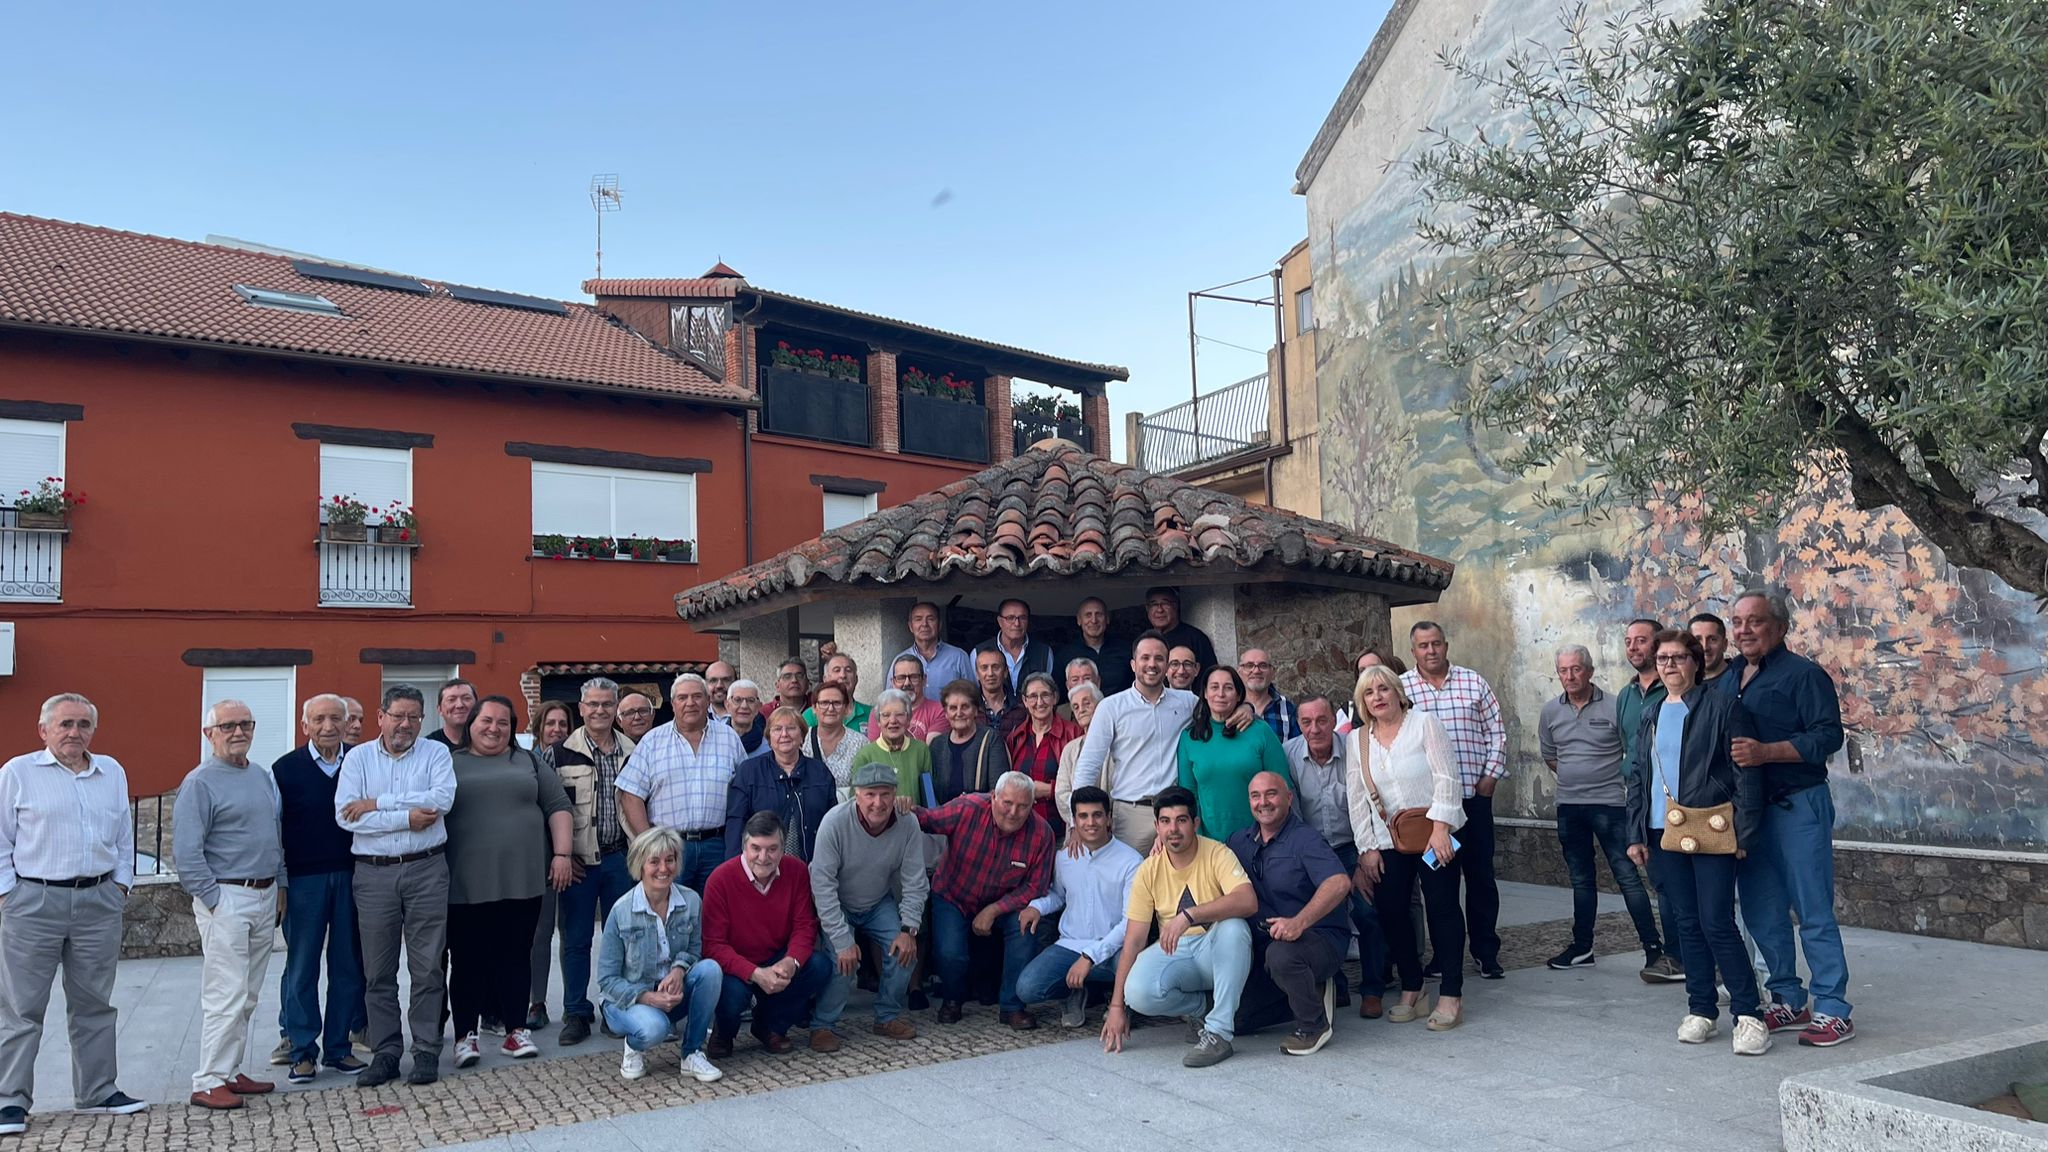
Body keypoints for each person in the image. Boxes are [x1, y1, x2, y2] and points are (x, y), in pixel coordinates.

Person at [0, 694, 147, 1136]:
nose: (74, 732)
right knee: (21, 1007)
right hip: (35, 902)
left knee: (95, 1004)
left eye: (83, 724)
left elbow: (123, 834)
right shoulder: (18, 773)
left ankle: (98, 1091)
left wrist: (121, 884)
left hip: (98, 901)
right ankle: (9, 1100)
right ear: (43, 730)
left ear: (93, 731)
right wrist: (8, 894)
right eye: (65, 724)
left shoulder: (111, 772)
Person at [1625, 630, 1771, 1057]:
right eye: (1663, 659)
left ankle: (1749, 1015)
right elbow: (1638, 776)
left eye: (1678, 658)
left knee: (1717, 921)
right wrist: (1635, 833)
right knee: (1686, 922)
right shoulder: (1651, 713)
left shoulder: (1724, 706)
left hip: (1711, 827)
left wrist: (1744, 832)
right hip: (1662, 830)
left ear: (1696, 662)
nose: (1670, 665)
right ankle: (1701, 1009)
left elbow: (1746, 775)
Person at [1721, 588, 1853, 1048]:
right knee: (1761, 911)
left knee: (1813, 909)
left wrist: (1766, 752)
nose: (1744, 630)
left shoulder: (1804, 675)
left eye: (1754, 621)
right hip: (1750, 815)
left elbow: (1827, 737)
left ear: (1779, 627)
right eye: (1737, 622)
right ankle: (1787, 998)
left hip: (1798, 805)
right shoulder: (1729, 677)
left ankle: (1833, 1007)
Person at [337, 685, 456, 1088]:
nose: (405, 724)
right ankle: (386, 1052)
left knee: (428, 967)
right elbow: (346, 816)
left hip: (426, 869)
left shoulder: (435, 754)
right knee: (378, 970)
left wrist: (376, 803)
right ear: (381, 717)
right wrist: (406, 817)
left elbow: (440, 802)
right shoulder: (357, 758)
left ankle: (425, 1050)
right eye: (398, 715)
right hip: (374, 874)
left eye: (414, 717)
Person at [445, 697, 571, 1071]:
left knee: (516, 956)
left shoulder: (528, 761)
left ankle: (516, 1030)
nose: (494, 728)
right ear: (470, 724)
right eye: (486, 720)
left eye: (503, 722)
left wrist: (562, 854)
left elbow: (558, 806)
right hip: (465, 881)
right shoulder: (448, 762)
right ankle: (465, 1036)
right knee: (467, 960)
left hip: (523, 879)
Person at [175, 701, 286, 1110]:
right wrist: (214, 900)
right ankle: (207, 1080)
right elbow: (187, 852)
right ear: (209, 734)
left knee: (248, 993)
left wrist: (281, 884)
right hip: (228, 897)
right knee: (226, 992)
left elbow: (274, 834)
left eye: (245, 724)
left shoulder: (260, 776)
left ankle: (229, 1070)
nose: (238, 732)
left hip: (264, 893)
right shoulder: (199, 783)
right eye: (228, 726)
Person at [1349, 665, 1468, 1031]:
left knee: (1442, 908)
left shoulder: (1424, 724)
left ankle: (1451, 992)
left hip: (1434, 835)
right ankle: (1412, 986)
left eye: (1384, 689)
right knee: (1392, 912)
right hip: (1388, 840)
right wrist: (1367, 847)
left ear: (1398, 693)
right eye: (1369, 693)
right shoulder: (1358, 740)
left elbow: (1447, 777)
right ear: (1362, 701)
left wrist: (1441, 828)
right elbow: (1357, 797)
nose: (1378, 697)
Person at [1099, 787, 1253, 1068]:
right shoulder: (1148, 869)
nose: (1173, 829)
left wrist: (1189, 915)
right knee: (1137, 992)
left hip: (1213, 949)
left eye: (1181, 820)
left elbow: (1247, 900)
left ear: (1195, 823)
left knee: (1234, 928)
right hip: (1176, 952)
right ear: (1156, 826)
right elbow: (1134, 940)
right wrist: (1117, 1006)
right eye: (1166, 821)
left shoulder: (1217, 853)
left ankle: (1218, 1033)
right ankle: (1202, 1009)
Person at [1539, 645, 1668, 976]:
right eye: (1563, 670)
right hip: (1569, 807)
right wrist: (1576, 776)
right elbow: (1550, 755)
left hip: (1611, 806)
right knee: (1581, 880)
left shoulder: (1614, 705)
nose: (1570, 676)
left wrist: (1599, 780)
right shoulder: (1550, 711)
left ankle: (1653, 949)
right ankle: (1582, 947)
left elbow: (1631, 749)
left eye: (1576, 669)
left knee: (1628, 877)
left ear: (1590, 671)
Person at [1075, 632, 1256, 854]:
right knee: (1133, 875)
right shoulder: (1111, 707)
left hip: (1175, 813)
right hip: (1132, 816)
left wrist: (1247, 707)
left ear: (1167, 665)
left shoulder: (1188, 703)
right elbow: (1089, 764)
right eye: (1145, 658)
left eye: (1159, 658)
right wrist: (1076, 822)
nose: (1152, 664)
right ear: (1133, 664)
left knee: (1181, 875)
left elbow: (1220, 708)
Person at [1401, 621, 1507, 981]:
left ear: (1446, 646)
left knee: (1481, 878)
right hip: (1430, 810)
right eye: (1423, 646)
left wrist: (1491, 775)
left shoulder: (1473, 682)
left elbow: (1496, 732)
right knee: (1438, 886)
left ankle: (1485, 952)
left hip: (1472, 801)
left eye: (1436, 644)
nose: (1430, 651)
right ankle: (1444, 956)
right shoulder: (1402, 688)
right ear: (1413, 651)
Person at [273, 694, 368, 1082]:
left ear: (347, 723)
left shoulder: (361, 762)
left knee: (348, 965)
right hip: (303, 881)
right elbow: (274, 829)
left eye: (335, 719)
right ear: (305, 725)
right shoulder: (284, 769)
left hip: (352, 875)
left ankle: (339, 1048)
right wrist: (280, 882)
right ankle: (301, 1050)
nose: (328, 726)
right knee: (302, 967)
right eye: (319, 719)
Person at [910, 773, 1053, 1027]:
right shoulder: (968, 807)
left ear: (1033, 804)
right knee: (949, 952)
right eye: (1007, 803)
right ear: (994, 797)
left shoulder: (1042, 834)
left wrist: (994, 910)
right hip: (954, 894)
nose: (1013, 812)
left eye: (1022, 806)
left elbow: (1035, 886)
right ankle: (952, 999)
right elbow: (927, 819)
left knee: (1025, 928)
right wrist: (904, 807)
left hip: (1004, 902)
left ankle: (1012, 1006)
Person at [1228, 772, 1352, 1055]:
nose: (1263, 802)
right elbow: (1206, 859)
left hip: (1318, 939)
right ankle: (1311, 993)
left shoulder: (1305, 839)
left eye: (1271, 794)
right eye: (1255, 796)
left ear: (1288, 798)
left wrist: (1299, 922)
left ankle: (1313, 1025)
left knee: (1283, 955)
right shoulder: (1239, 841)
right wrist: (1163, 843)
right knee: (1236, 1019)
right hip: (1266, 945)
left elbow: (1339, 883)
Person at [806, 763, 928, 1047]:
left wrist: (909, 929)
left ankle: (887, 1016)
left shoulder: (908, 823)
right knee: (842, 961)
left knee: (904, 952)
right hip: (838, 901)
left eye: (885, 794)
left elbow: (915, 880)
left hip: (877, 901)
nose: (878, 802)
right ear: (856, 795)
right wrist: (842, 940)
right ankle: (823, 1025)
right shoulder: (834, 822)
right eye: (870, 794)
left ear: (895, 794)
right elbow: (822, 885)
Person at [1284, 696, 1388, 1019]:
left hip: (1352, 846)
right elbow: (1293, 814)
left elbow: (1369, 804)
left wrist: (1364, 856)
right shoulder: (1288, 755)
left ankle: (1373, 989)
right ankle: (1336, 985)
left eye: (1322, 720)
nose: (1315, 729)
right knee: (1319, 918)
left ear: (1334, 721)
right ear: (1299, 725)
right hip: (1313, 851)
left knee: (1367, 913)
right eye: (1306, 722)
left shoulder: (1355, 750)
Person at [700, 813, 834, 1056]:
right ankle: (724, 1032)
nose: (763, 857)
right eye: (756, 848)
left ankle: (770, 1026)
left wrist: (791, 961)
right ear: (744, 847)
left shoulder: (796, 871)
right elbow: (713, 946)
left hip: (777, 955)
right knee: (730, 991)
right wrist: (755, 973)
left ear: (783, 848)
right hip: (736, 962)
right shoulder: (720, 879)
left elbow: (805, 926)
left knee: (819, 965)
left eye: (772, 849)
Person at [598, 826, 724, 1084]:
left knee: (711, 970)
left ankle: (692, 1053)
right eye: (654, 861)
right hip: (626, 1001)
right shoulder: (621, 911)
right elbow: (607, 980)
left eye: (670, 860)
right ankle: (633, 1045)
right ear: (640, 865)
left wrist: (678, 970)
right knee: (655, 1029)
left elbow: (695, 950)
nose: (663, 869)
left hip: (670, 994)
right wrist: (648, 997)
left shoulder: (691, 901)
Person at [1014, 786, 1140, 1028]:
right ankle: (1075, 991)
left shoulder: (1131, 861)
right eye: (1083, 816)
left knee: (1133, 968)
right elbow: (1058, 895)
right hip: (1071, 945)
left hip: (1114, 948)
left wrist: (1090, 957)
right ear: (1074, 820)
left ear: (1109, 818)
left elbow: (1130, 922)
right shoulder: (1064, 858)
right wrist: (1036, 907)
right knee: (1028, 988)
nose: (1090, 823)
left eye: (1097, 815)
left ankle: (1122, 1001)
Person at [555, 677, 637, 1046]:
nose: (600, 710)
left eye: (606, 704)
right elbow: (549, 808)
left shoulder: (633, 750)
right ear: (581, 708)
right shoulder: (559, 753)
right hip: (579, 863)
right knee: (576, 939)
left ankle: (615, 1006)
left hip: (621, 858)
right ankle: (575, 1011)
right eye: (593, 704)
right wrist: (560, 854)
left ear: (616, 709)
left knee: (623, 939)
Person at [618, 673, 748, 893]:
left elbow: (744, 790)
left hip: (717, 844)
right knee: (670, 908)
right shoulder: (652, 741)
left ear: (708, 700)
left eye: (697, 696)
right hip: (668, 847)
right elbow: (630, 795)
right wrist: (649, 842)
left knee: (716, 908)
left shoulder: (729, 738)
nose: (690, 703)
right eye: (682, 697)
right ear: (673, 704)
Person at [1176, 666, 1292, 842]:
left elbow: (1282, 784)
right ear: (1205, 693)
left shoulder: (1260, 731)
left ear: (1238, 695)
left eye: (1228, 688)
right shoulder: (1190, 738)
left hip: (1259, 838)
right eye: (1214, 687)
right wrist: (1197, 838)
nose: (1221, 694)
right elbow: (1188, 794)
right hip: (1210, 841)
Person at [524, 700, 582, 1033]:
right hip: (538, 860)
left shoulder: (575, 758)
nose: (557, 730)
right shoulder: (526, 763)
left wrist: (570, 854)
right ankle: (537, 1002)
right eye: (550, 723)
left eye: (563, 724)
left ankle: (575, 1005)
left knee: (572, 935)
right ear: (538, 727)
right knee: (539, 935)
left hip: (574, 859)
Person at [725, 708, 836, 863]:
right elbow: (736, 823)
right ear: (769, 738)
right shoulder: (749, 771)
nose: (784, 734)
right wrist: (735, 867)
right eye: (777, 729)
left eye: (791, 728)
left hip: (812, 865)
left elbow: (832, 824)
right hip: (760, 864)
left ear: (802, 736)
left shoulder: (820, 772)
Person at [1006, 672, 1080, 835]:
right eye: (1033, 696)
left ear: (1055, 698)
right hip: (1021, 830)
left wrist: (1050, 790)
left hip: (1061, 830)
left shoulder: (1073, 734)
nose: (1039, 702)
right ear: (1025, 701)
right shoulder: (1016, 737)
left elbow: (1084, 784)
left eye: (1045, 695)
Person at [931, 678, 1013, 804]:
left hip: (980, 814)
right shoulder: (937, 745)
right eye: (953, 708)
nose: (959, 713)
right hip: (942, 815)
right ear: (946, 713)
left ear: (975, 711)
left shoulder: (991, 739)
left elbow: (998, 791)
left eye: (965, 707)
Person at [850, 690, 934, 800]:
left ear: (908, 719)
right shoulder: (865, 755)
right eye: (886, 715)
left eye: (899, 714)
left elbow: (929, 796)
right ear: (878, 721)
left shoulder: (921, 750)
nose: (893, 721)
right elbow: (855, 799)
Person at [975, 598, 1057, 698]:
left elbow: (1049, 690)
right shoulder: (978, 652)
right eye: (1010, 618)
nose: (1017, 623)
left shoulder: (1044, 653)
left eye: (1022, 618)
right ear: (1000, 621)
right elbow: (973, 692)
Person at [803, 681, 870, 801]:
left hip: (846, 809)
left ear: (846, 708)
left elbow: (864, 787)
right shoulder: (801, 739)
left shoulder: (860, 743)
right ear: (814, 708)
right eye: (824, 703)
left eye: (837, 703)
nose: (830, 708)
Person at [1056, 598, 1133, 697]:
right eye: (1088, 615)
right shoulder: (1065, 655)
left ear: (1107, 618)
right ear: (1079, 620)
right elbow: (1059, 694)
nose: (1094, 620)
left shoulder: (1125, 650)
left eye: (1099, 614)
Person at [898, 601, 974, 700]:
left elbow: (973, 697)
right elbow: (890, 700)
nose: (924, 624)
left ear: (939, 625)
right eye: (918, 619)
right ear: (910, 626)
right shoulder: (899, 661)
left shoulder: (958, 657)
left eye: (931, 619)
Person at [1052, 681, 1104, 827]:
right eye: (1076, 707)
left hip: (1113, 824)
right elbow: (1061, 793)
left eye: (1087, 703)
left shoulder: (1116, 744)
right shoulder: (1070, 749)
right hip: (1077, 826)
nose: (1081, 709)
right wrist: (1081, 819)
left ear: (1101, 705)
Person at [866, 657, 947, 741]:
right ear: (893, 682)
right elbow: (875, 747)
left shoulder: (939, 711)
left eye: (914, 677)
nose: (907, 683)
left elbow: (931, 748)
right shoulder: (879, 712)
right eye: (901, 678)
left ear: (924, 680)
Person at [1143, 586, 1217, 669]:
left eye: (1165, 603)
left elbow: (1210, 673)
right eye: (1154, 604)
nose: (1160, 610)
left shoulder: (1195, 638)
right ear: (1147, 608)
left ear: (1176, 605)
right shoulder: (1144, 640)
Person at [1337, 646, 1407, 732]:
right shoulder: (1348, 713)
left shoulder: (1415, 717)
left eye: (1373, 668)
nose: (1368, 673)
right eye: (1362, 670)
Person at [1238, 649, 1300, 741]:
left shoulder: (1288, 709)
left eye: (1263, 665)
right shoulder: (1231, 706)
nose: (1256, 671)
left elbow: (1297, 747)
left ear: (1272, 672)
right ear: (1239, 672)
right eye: (1249, 665)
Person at [803, 654, 870, 733]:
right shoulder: (811, 715)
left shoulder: (871, 714)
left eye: (848, 670)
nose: (843, 675)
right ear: (825, 679)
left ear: (856, 679)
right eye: (837, 670)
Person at [973, 648, 1026, 735]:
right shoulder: (969, 708)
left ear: (1005, 672)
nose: (990, 673)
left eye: (996, 667)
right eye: (984, 668)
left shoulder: (1021, 708)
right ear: (977, 674)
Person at [426, 679, 476, 751]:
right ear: (440, 709)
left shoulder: (488, 742)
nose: (459, 705)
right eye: (451, 700)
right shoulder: (428, 747)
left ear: (477, 706)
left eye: (466, 698)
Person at [1690, 613, 1732, 687]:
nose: (1705, 647)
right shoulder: (1683, 686)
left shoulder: (1742, 679)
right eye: (1697, 640)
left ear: (1724, 644)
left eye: (1712, 639)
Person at [726, 680, 767, 754]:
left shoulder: (769, 747)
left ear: (758, 707)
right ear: (727, 705)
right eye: (737, 700)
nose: (744, 706)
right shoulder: (715, 740)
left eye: (751, 700)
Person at [1057, 657, 1101, 723]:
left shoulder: (1110, 708)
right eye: (1075, 680)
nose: (1081, 683)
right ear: (1068, 686)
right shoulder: (1060, 713)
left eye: (1087, 678)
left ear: (1098, 682)